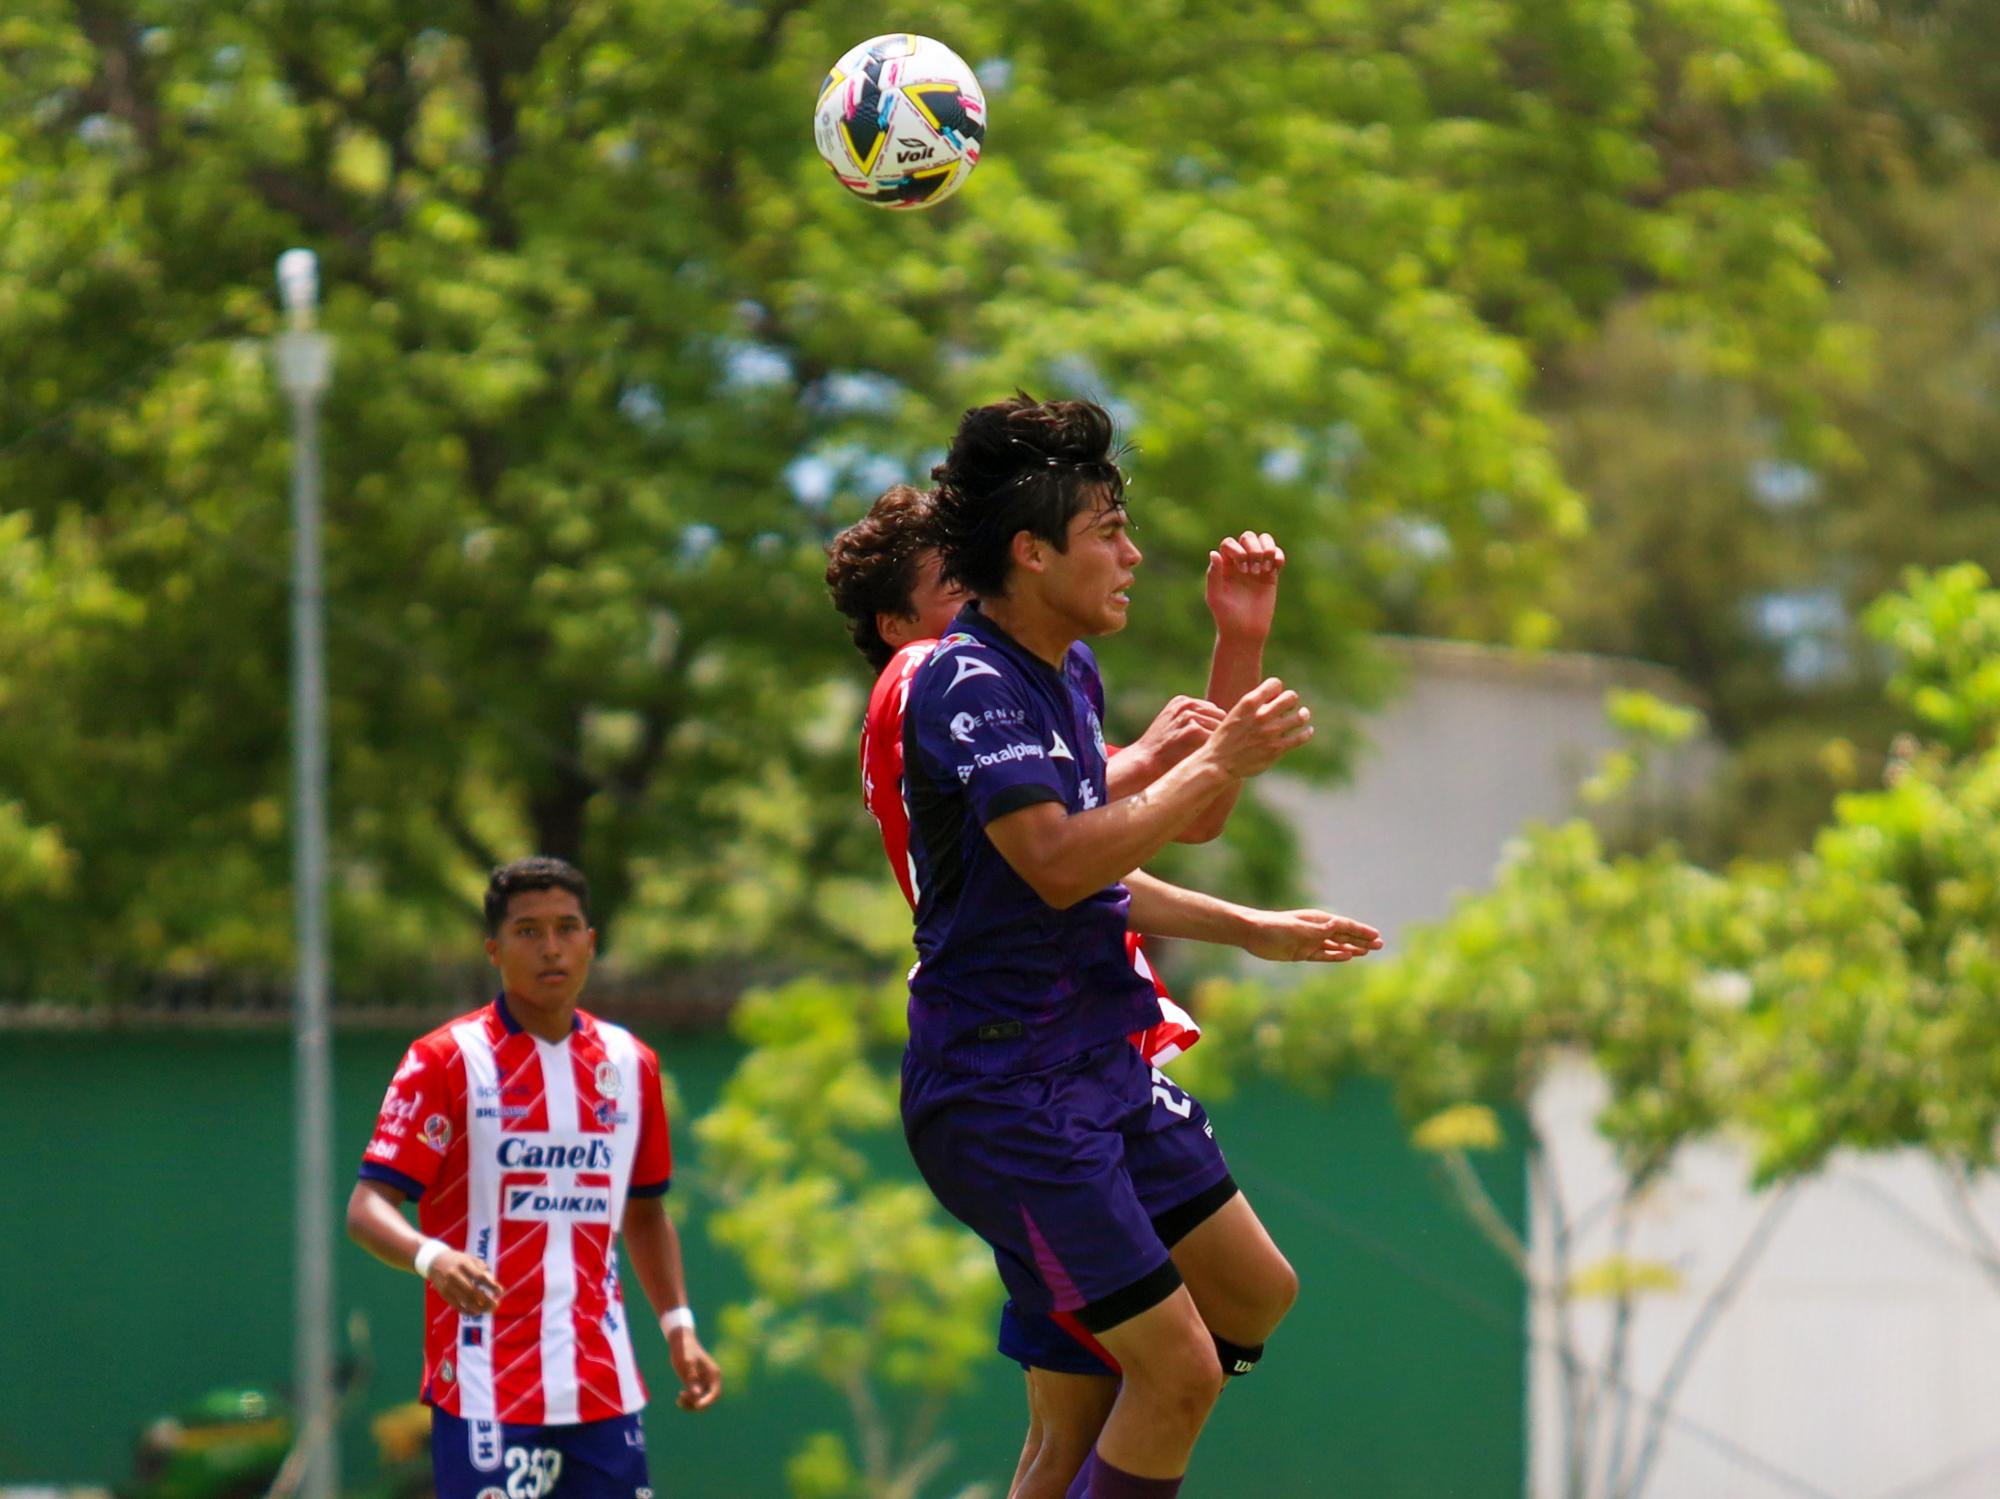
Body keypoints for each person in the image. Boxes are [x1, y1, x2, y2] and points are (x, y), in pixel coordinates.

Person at [870, 395, 1378, 1497]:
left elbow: (1184, 820)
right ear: (1030, 550)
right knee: (1173, 1377)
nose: (1132, 554)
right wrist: (1216, 758)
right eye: (1108, 531)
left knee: (1250, 1294)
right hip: (1003, 1093)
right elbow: (1059, 861)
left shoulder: (1067, 671)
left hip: (1093, 1063)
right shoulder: (960, 680)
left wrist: (1237, 643)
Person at [346, 857, 721, 1499]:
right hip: (485, 1383)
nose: (551, 947)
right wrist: (433, 1258)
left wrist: (678, 1326)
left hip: (602, 1385)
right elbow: (367, 1207)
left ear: (590, 943)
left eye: (567, 928)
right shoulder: (446, 1059)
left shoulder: (631, 1064)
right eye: (527, 931)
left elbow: (645, 1211)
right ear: (494, 949)